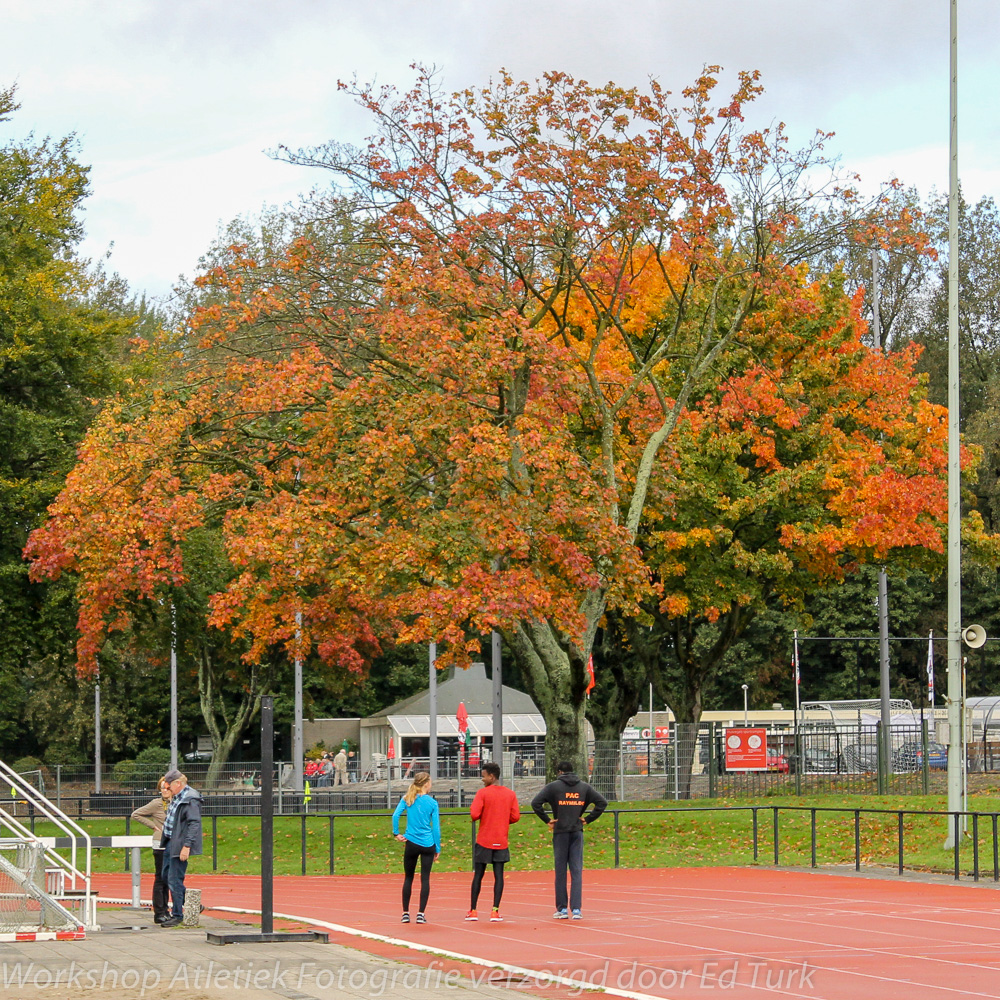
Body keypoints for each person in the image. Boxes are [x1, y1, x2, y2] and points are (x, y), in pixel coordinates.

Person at [531, 760, 607, 921]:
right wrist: (587, 819)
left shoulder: (553, 787)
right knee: (576, 871)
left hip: (560, 832)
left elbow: (535, 803)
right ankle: (577, 909)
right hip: (576, 831)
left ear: (559, 772)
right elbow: (602, 803)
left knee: (560, 872)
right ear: (573, 771)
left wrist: (547, 820)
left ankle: (562, 908)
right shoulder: (584, 787)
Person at [466, 761, 519, 922]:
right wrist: (502, 819)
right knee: (499, 875)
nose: (482, 780)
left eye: (483, 776)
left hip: (484, 840)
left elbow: (474, 814)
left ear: (491, 776)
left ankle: (473, 910)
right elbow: (515, 816)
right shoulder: (510, 794)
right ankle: (495, 911)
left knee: (478, 875)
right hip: (501, 840)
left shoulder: (482, 793)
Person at [391, 771, 440, 924]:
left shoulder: (407, 799)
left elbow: (395, 815)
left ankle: (405, 913)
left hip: (411, 843)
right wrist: (437, 847)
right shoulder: (432, 803)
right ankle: (420, 913)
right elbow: (436, 828)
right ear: (426, 784)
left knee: (409, 877)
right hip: (427, 844)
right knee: (425, 879)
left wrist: (396, 833)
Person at [159, 769, 204, 927]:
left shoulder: (190, 799)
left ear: (178, 783)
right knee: (166, 876)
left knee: (174, 879)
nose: (167, 789)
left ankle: (177, 915)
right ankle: (193, 904)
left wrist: (186, 846)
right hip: (171, 841)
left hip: (180, 843)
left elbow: (194, 824)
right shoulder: (178, 796)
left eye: (169, 785)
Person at [130, 776, 173, 924]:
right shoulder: (156, 804)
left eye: (167, 788)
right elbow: (136, 814)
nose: (165, 791)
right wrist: (153, 826)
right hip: (160, 843)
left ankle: (167, 910)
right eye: (162, 788)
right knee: (161, 877)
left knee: (169, 878)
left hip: (174, 843)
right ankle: (159, 912)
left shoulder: (177, 802)